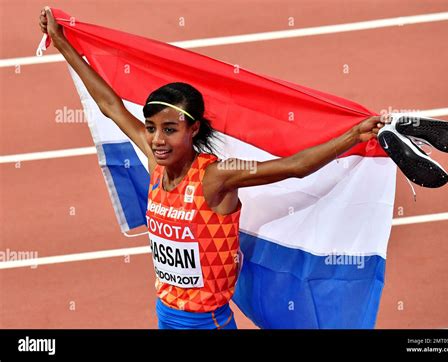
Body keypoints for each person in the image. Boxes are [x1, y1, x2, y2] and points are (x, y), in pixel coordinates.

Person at [39, 7, 387, 329]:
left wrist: (353, 135)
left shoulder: (216, 176)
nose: (157, 139)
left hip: (207, 323)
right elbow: (111, 106)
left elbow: (293, 167)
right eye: (151, 128)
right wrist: (63, 43)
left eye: (170, 130)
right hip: (165, 314)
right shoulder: (154, 160)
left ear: (193, 129)